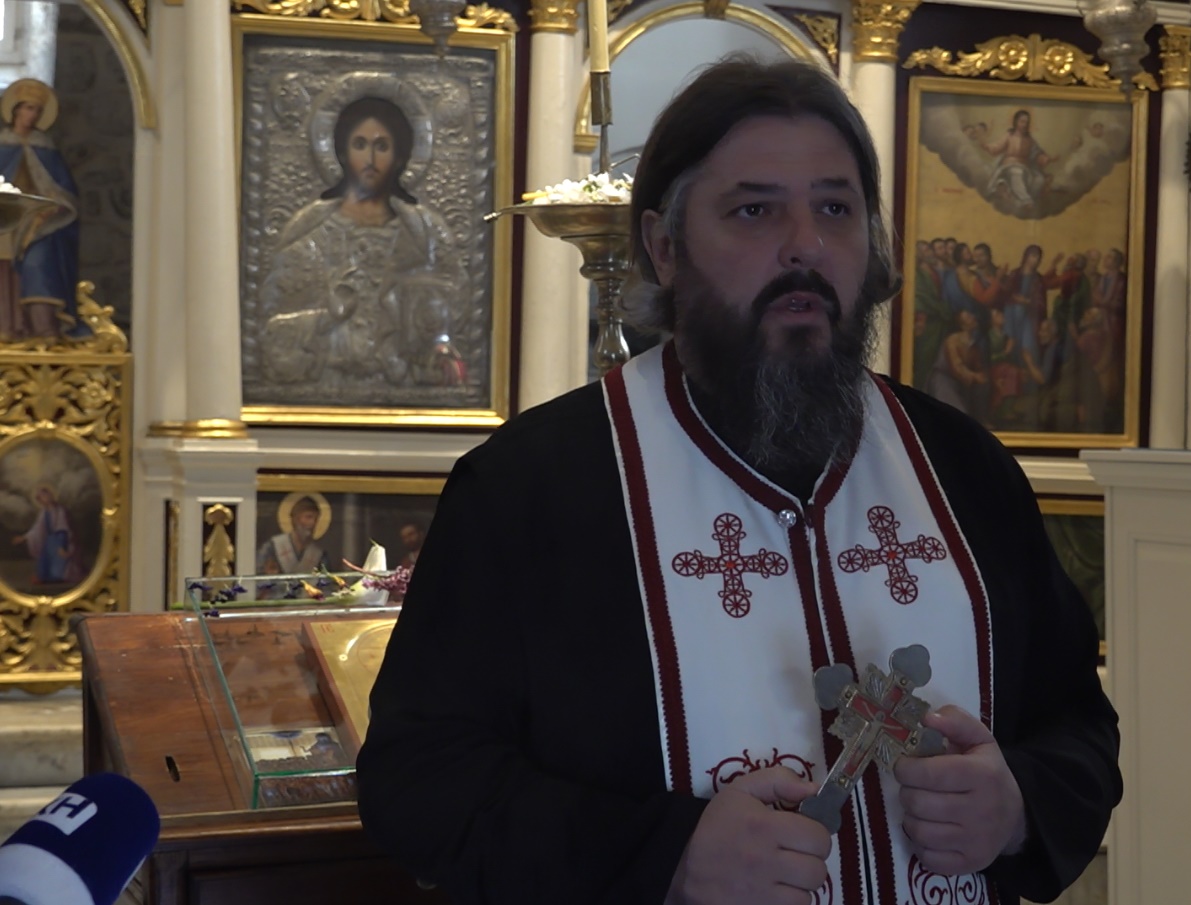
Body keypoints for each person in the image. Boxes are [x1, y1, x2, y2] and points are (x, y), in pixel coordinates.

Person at [357, 57, 1119, 905]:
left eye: (835, 208)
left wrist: (1016, 806)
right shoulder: (530, 487)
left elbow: (1076, 724)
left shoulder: (962, 468)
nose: (805, 244)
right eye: (754, 210)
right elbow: (418, 779)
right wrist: (667, 856)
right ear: (664, 247)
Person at [258, 95, 466, 391]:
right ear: (342, 152)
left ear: (399, 157)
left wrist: (434, 346)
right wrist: (327, 318)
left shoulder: (425, 233)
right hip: (326, 387)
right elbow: (272, 323)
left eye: (381, 146)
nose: (370, 159)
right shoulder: (309, 232)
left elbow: (453, 311)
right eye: (360, 144)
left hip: (405, 387)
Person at [0, 78, 87, 341]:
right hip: (5, 218)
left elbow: (64, 191)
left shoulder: (46, 150)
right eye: (28, 108)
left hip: (37, 222)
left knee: (40, 263)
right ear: (15, 109)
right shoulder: (2, 146)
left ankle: (42, 328)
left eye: (37, 110)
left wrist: (54, 206)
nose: (32, 115)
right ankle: (7, 326)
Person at [12, 485, 84, 585]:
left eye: (44, 496)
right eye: (40, 498)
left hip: (60, 540)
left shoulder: (60, 510)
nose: (42, 499)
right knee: (44, 564)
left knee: (59, 567)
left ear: (51, 496)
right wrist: (24, 537)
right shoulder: (44, 512)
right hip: (49, 542)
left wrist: (62, 546)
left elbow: (63, 528)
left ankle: (59, 577)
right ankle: (45, 577)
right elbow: (37, 529)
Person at [256, 495, 328, 584]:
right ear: (295, 519)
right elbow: (257, 577)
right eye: (308, 517)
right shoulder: (272, 547)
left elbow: (327, 583)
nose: (312, 523)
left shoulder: (319, 555)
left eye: (316, 519)